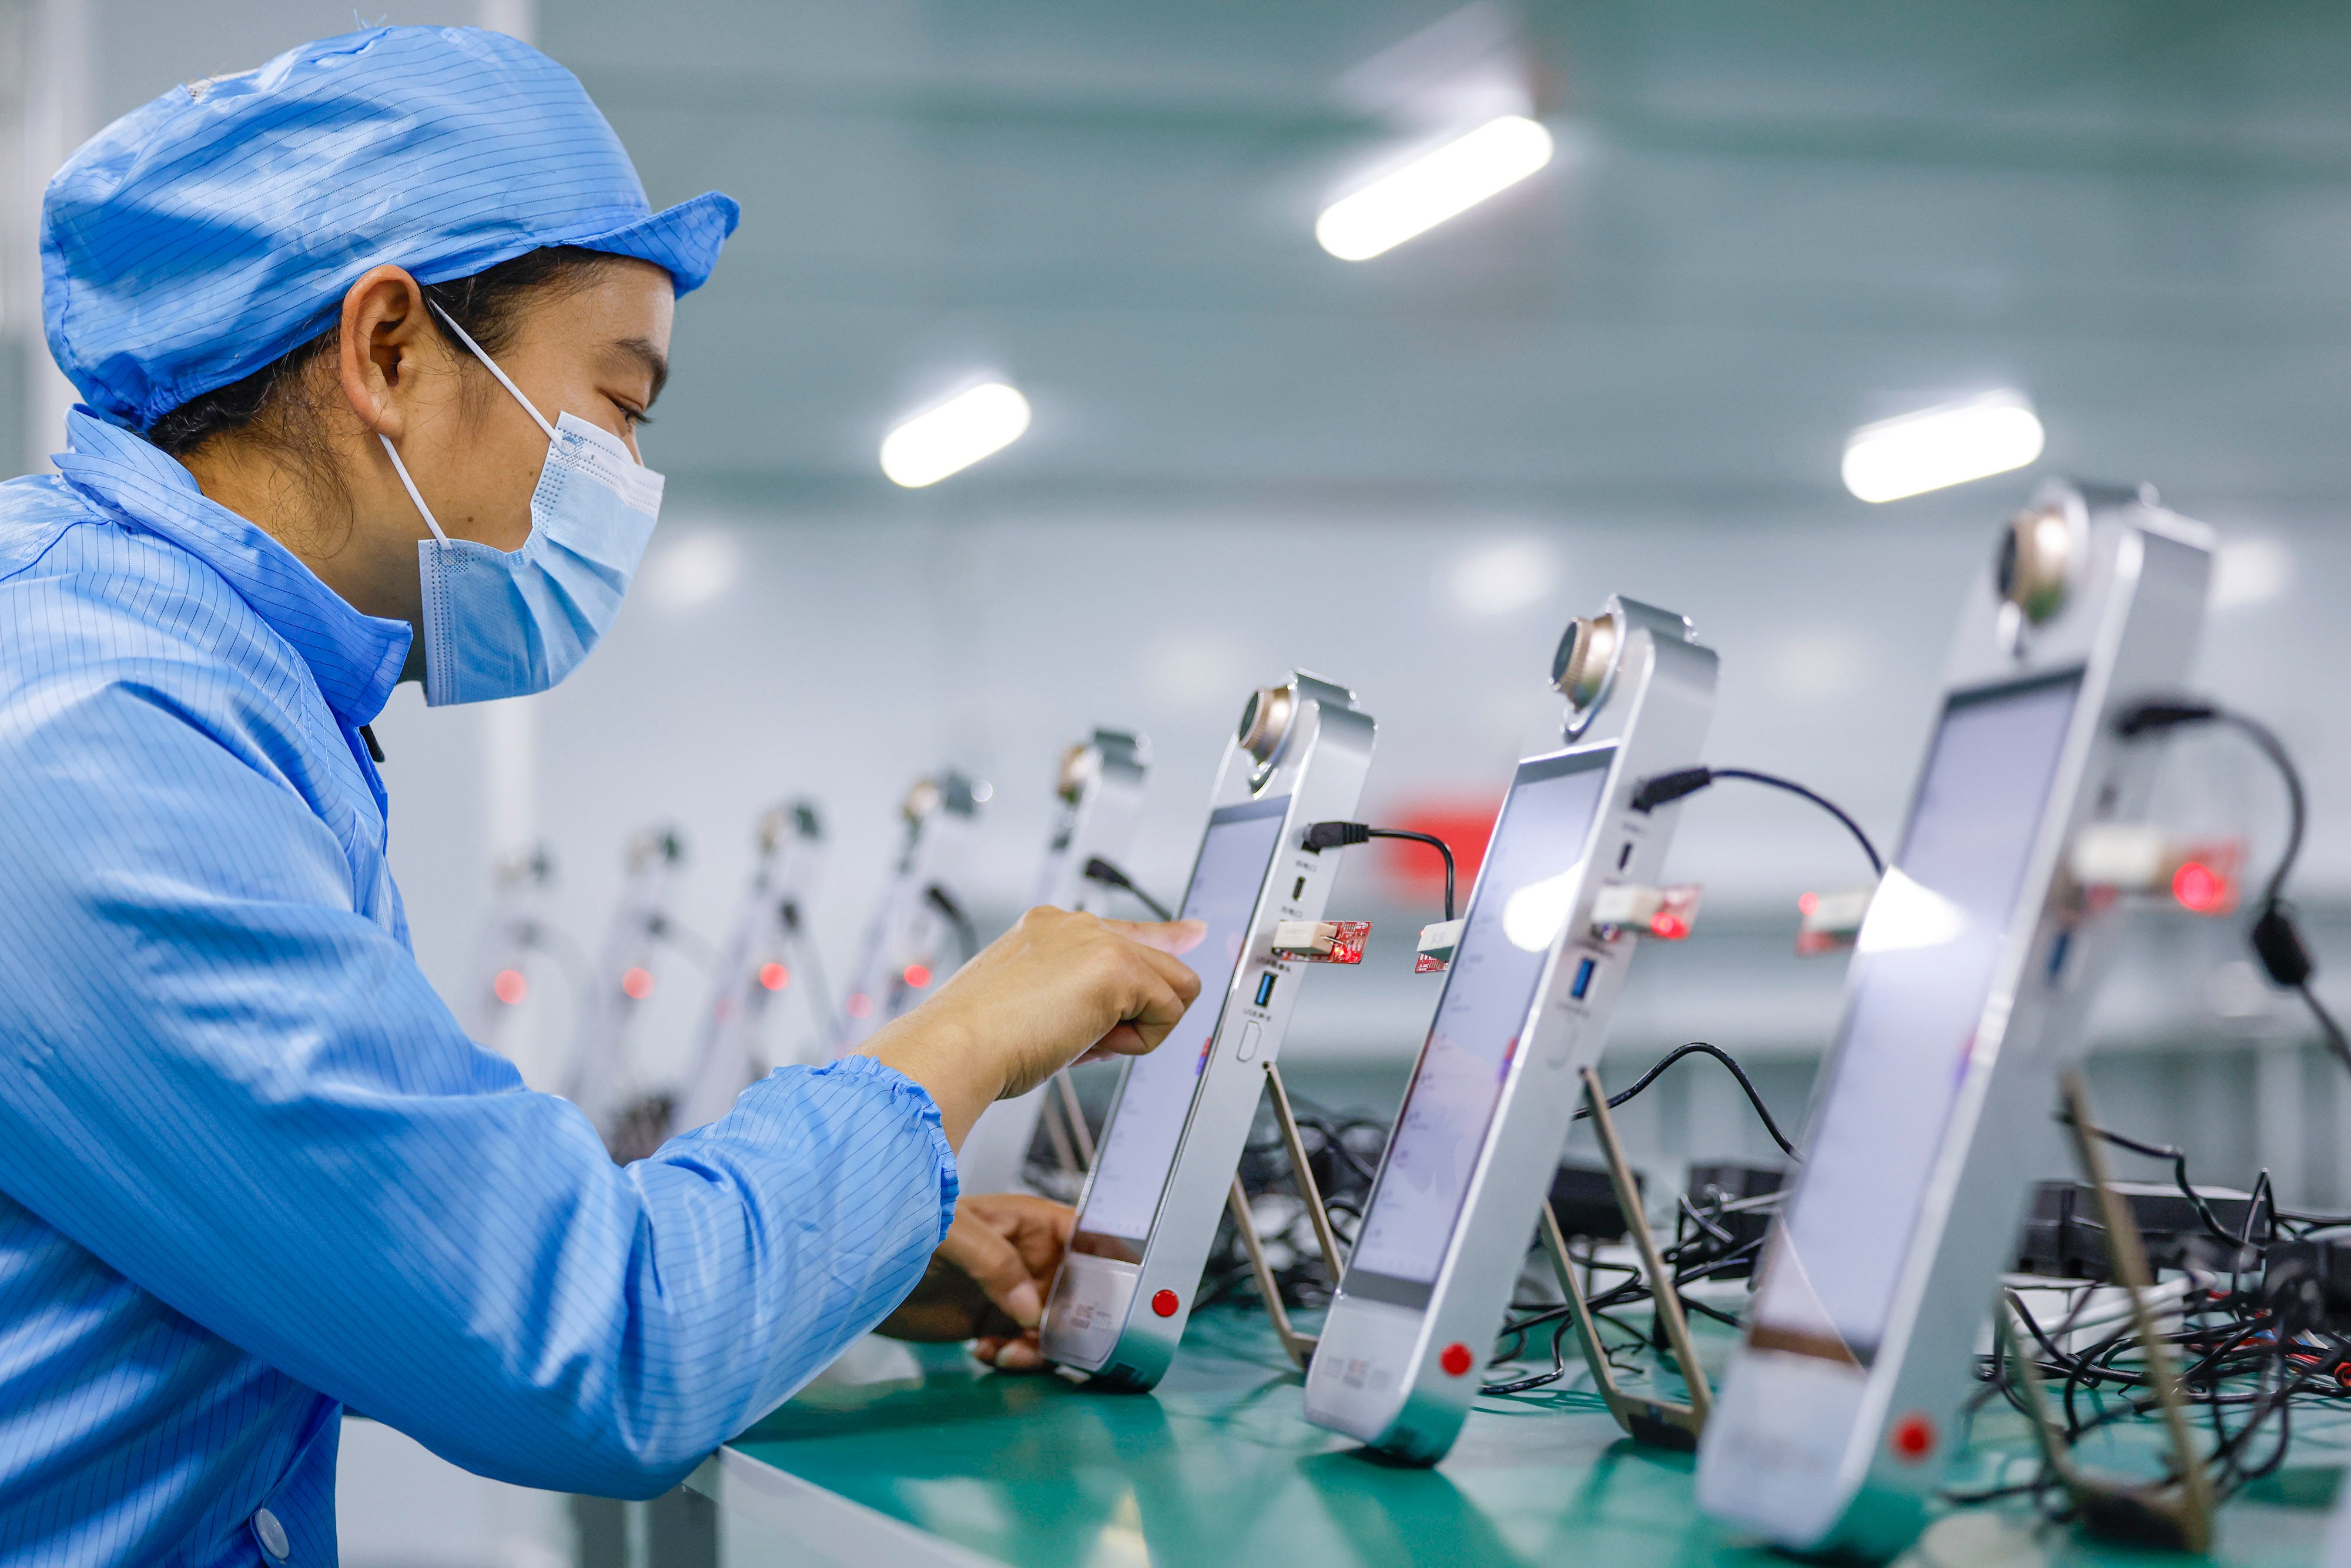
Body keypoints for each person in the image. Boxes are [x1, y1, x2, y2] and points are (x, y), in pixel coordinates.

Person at [0, 25, 1203, 1567]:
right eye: (622, 405)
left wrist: (837, 1248)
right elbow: (594, 1358)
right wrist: (959, 1038)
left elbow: (328, 1242)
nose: (627, 477)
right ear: (387, 350)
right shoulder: (96, 736)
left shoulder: (199, 676)